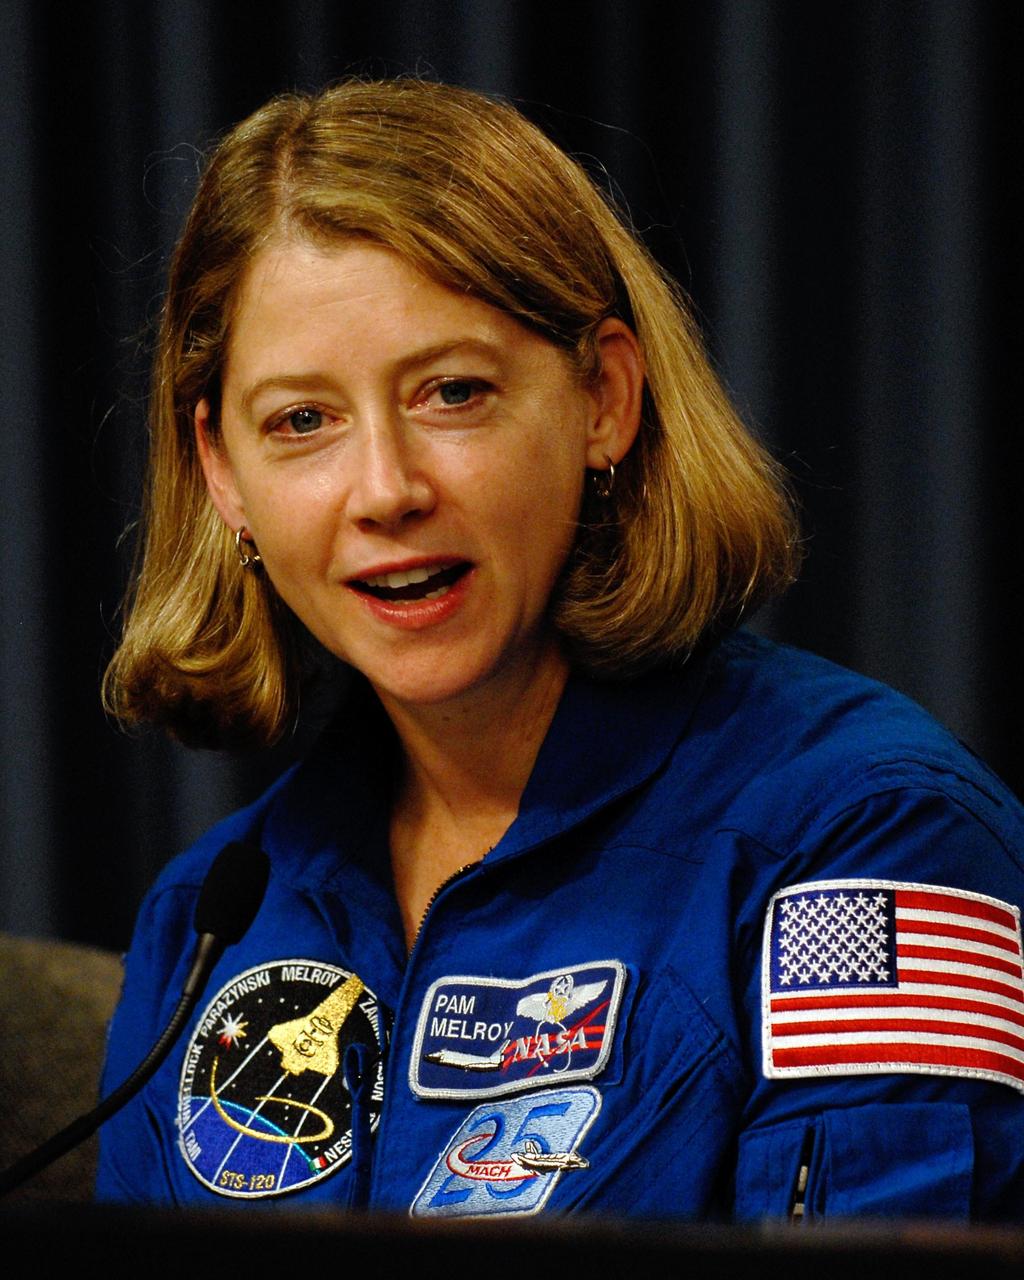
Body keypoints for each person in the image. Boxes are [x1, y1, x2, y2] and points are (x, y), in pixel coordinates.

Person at [97, 79, 1024, 1221]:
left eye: (453, 393)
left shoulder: (860, 838)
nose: (385, 489)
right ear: (223, 473)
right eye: (303, 421)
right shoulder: (207, 918)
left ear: (604, 400)